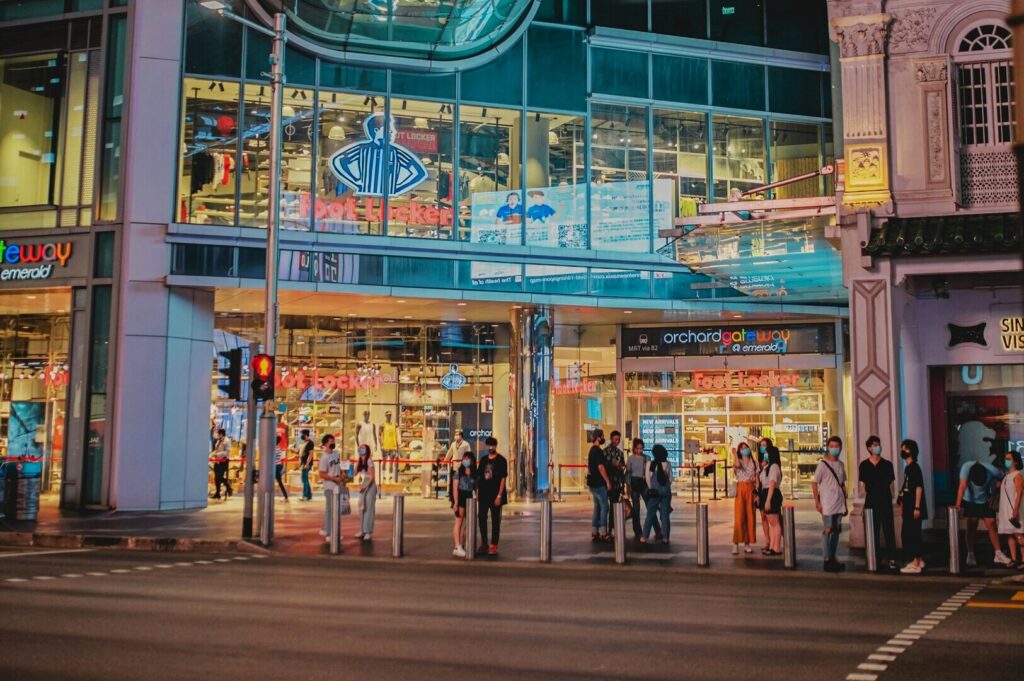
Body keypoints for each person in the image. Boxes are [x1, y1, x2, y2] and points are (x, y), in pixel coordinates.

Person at [954, 451, 1011, 566]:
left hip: (985, 498)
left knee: (992, 524)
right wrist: (958, 504)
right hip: (970, 500)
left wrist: (994, 493)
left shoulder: (992, 470)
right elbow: (962, 486)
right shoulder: (966, 468)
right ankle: (970, 554)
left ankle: (998, 554)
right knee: (972, 525)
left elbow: (1004, 479)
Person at [858, 436, 897, 571]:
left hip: (885, 500)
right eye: (874, 445)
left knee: (888, 530)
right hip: (871, 501)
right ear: (869, 448)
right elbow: (863, 485)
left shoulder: (887, 464)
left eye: (878, 444)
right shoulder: (864, 465)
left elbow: (891, 484)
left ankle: (892, 558)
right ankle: (874, 557)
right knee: (872, 531)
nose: (877, 447)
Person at [813, 438, 848, 572]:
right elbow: (814, 483)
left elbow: (842, 484)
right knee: (828, 529)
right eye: (832, 446)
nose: (835, 448)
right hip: (827, 503)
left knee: (836, 530)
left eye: (837, 446)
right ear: (828, 447)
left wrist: (845, 503)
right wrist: (817, 501)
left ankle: (833, 556)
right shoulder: (822, 464)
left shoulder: (841, 465)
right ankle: (827, 558)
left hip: (839, 503)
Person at [898, 440, 928, 574]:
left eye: (905, 449)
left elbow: (918, 487)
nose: (902, 451)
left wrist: (917, 507)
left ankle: (915, 562)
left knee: (911, 533)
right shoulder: (909, 468)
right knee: (912, 533)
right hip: (909, 506)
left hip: (913, 507)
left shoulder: (914, 468)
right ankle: (918, 559)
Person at [475, 436, 508, 555]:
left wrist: (499, 495)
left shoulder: (501, 460)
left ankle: (494, 544)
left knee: (495, 520)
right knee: (481, 517)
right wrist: (478, 492)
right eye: (489, 445)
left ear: (495, 446)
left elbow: (503, 479)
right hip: (484, 494)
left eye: (492, 446)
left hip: (495, 494)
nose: (490, 448)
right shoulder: (483, 460)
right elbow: (479, 477)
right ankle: (484, 542)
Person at [628, 438, 660, 540]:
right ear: (634, 448)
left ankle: (657, 530)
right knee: (636, 509)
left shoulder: (647, 458)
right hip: (634, 483)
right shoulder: (631, 458)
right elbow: (628, 473)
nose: (640, 450)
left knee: (650, 507)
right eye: (638, 448)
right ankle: (638, 531)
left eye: (641, 448)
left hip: (644, 483)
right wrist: (627, 486)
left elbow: (651, 473)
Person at [641, 444, 673, 545]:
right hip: (666, 492)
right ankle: (666, 538)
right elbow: (671, 479)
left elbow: (647, 478)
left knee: (650, 514)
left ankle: (644, 537)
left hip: (654, 492)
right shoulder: (667, 464)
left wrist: (651, 488)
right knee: (665, 515)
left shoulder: (650, 464)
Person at [996, 449, 1023, 569]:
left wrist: (1016, 509)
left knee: (1019, 535)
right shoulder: (1007, 476)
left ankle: (1023, 560)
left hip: (1014, 509)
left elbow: (1019, 493)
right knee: (1010, 535)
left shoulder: (1018, 475)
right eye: (1006, 459)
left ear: (1015, 462)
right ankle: (1014, 559)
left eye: (1008, 459)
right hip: (1005, 510)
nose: (1006, 461)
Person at [732, 441, 758, 554]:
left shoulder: (754, 462)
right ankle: (736, 543)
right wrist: (734, 455)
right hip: (741, 488)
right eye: (742, 448)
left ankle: (747, 543)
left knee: (750, 516)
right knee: (739, 517)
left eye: (746, 447)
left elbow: (757, 479)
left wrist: (757, 494)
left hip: (751, 489)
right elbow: (737, 465)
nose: (744, 449)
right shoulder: (739, 461)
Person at [586, 429, 611, 542]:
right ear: (598, 437)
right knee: (604, 506)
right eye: (602, 436)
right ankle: (603, 532)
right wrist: (607, 481)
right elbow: (601, 467)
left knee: (597, 506)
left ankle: (594, 531)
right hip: (599, 483)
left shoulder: (591, 451)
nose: (603, 438)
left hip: (592, 483)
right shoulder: (598, 451)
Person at [451, 451, 477, 558]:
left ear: (471, 460)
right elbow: (455, 489)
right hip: (460, 497)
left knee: (469, 523)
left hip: (470, 498)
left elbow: (476, 487)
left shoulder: (474, 473)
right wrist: (455, 502)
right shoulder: (458, 472)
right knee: (459, 522)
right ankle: (457, 546)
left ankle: (465, 544)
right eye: (464, 459)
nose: (466, 461)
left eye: (468, 459)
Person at [318, 435, 344, 540]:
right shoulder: (324, 458)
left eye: (333, 440)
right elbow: (321, 474)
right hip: (329, 487)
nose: (333, 442)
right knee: (330, 510)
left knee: (337, 510)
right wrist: (333, 478)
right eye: (331, 441)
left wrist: (342, 474)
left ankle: (335, 532)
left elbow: (339, 466)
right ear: (325, 444)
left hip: (338, 486)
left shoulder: (337, 454)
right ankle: (328, 533)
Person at [759, 446, 784, 555]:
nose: (765, 454)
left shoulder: (774, 467)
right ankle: (773, 546)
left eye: (767, 453)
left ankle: (776, 547)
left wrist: (768, 500)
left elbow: (772, 483)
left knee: (775, 523)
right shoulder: (768, 466)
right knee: (772, 523)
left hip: (772, 494)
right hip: (767, 493)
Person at [604, 430, 627, 532]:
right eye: (615, 439)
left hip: (616, 483)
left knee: (614, 506)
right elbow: (602, 467)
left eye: (618, 440)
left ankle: (612, 528)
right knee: (604, 507)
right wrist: (611, 465)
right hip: (606, 482)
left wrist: (623, 486)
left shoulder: (620, 453)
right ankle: (603, 529)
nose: (617, 441)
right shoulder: (604, 452)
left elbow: (623, 468)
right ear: (611, 439)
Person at [354, 444, 376, 541]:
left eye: (362, 448)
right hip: (363, 485)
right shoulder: (360, 461)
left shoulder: (369, 461)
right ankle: (362, 530)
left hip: (370, 486)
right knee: (361, 508)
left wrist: (366, 487)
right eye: (360, 448)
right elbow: (354, 473)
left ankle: (368, 531)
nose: (360, 449)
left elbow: (372, 477)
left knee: (369, 509)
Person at [210, 429, 232, 500]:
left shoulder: (227, 441)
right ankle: (217, 493)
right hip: (217, 461)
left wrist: (218, 454)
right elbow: (216, 450)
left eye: (218, 434)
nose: (217, 435)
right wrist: (211, 455)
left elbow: (227, 452)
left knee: (219, 477)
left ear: (221, 434)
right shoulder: (219, 440)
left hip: (223, 461)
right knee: (216, 477)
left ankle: (228, 486)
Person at [379, 410, 401, 483]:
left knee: (391, 463)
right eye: (388, 415)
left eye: (390, 415)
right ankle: (384, 477)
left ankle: (391, 478)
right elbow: (379, 436)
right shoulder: (382, 425)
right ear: (386, 416)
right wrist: (381, 445)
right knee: (384, 462)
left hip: (393, 446)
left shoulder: (395, 425)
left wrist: (398, 446)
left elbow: (398, 435)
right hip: (385, 446)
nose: (389, 416)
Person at [298, 429, 314, 501]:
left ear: (306, 435)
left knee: (304, 479)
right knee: (305, 479)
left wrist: (307, 464)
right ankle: (309, 495)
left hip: (306, 464)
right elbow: (301, 453)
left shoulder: (310, 443)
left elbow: (310, 454)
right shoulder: (304, 443)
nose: (301, 436)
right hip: (303, 463)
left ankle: (305, 495)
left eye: (302, 434)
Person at [274, 438, 290, 502]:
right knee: (280, 482)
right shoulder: (279, 448)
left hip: (274, 467)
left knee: (270, 482)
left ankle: (268, 496)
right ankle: (286, 497)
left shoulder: (273, 449)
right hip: (279, 466)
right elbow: (281, 459)